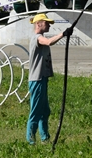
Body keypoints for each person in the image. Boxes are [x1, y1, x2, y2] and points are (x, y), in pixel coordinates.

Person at [27, 13, 73, 145]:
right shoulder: (37, 38)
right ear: (39, 24)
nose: (49, 25)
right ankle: (30, 141)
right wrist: (63, 34)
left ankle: (44, 138)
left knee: (44, 111)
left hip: (42, 79)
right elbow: (48, 42)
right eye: (47, 22)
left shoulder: (40, 37)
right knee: (35, 111)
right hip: (36, 80)